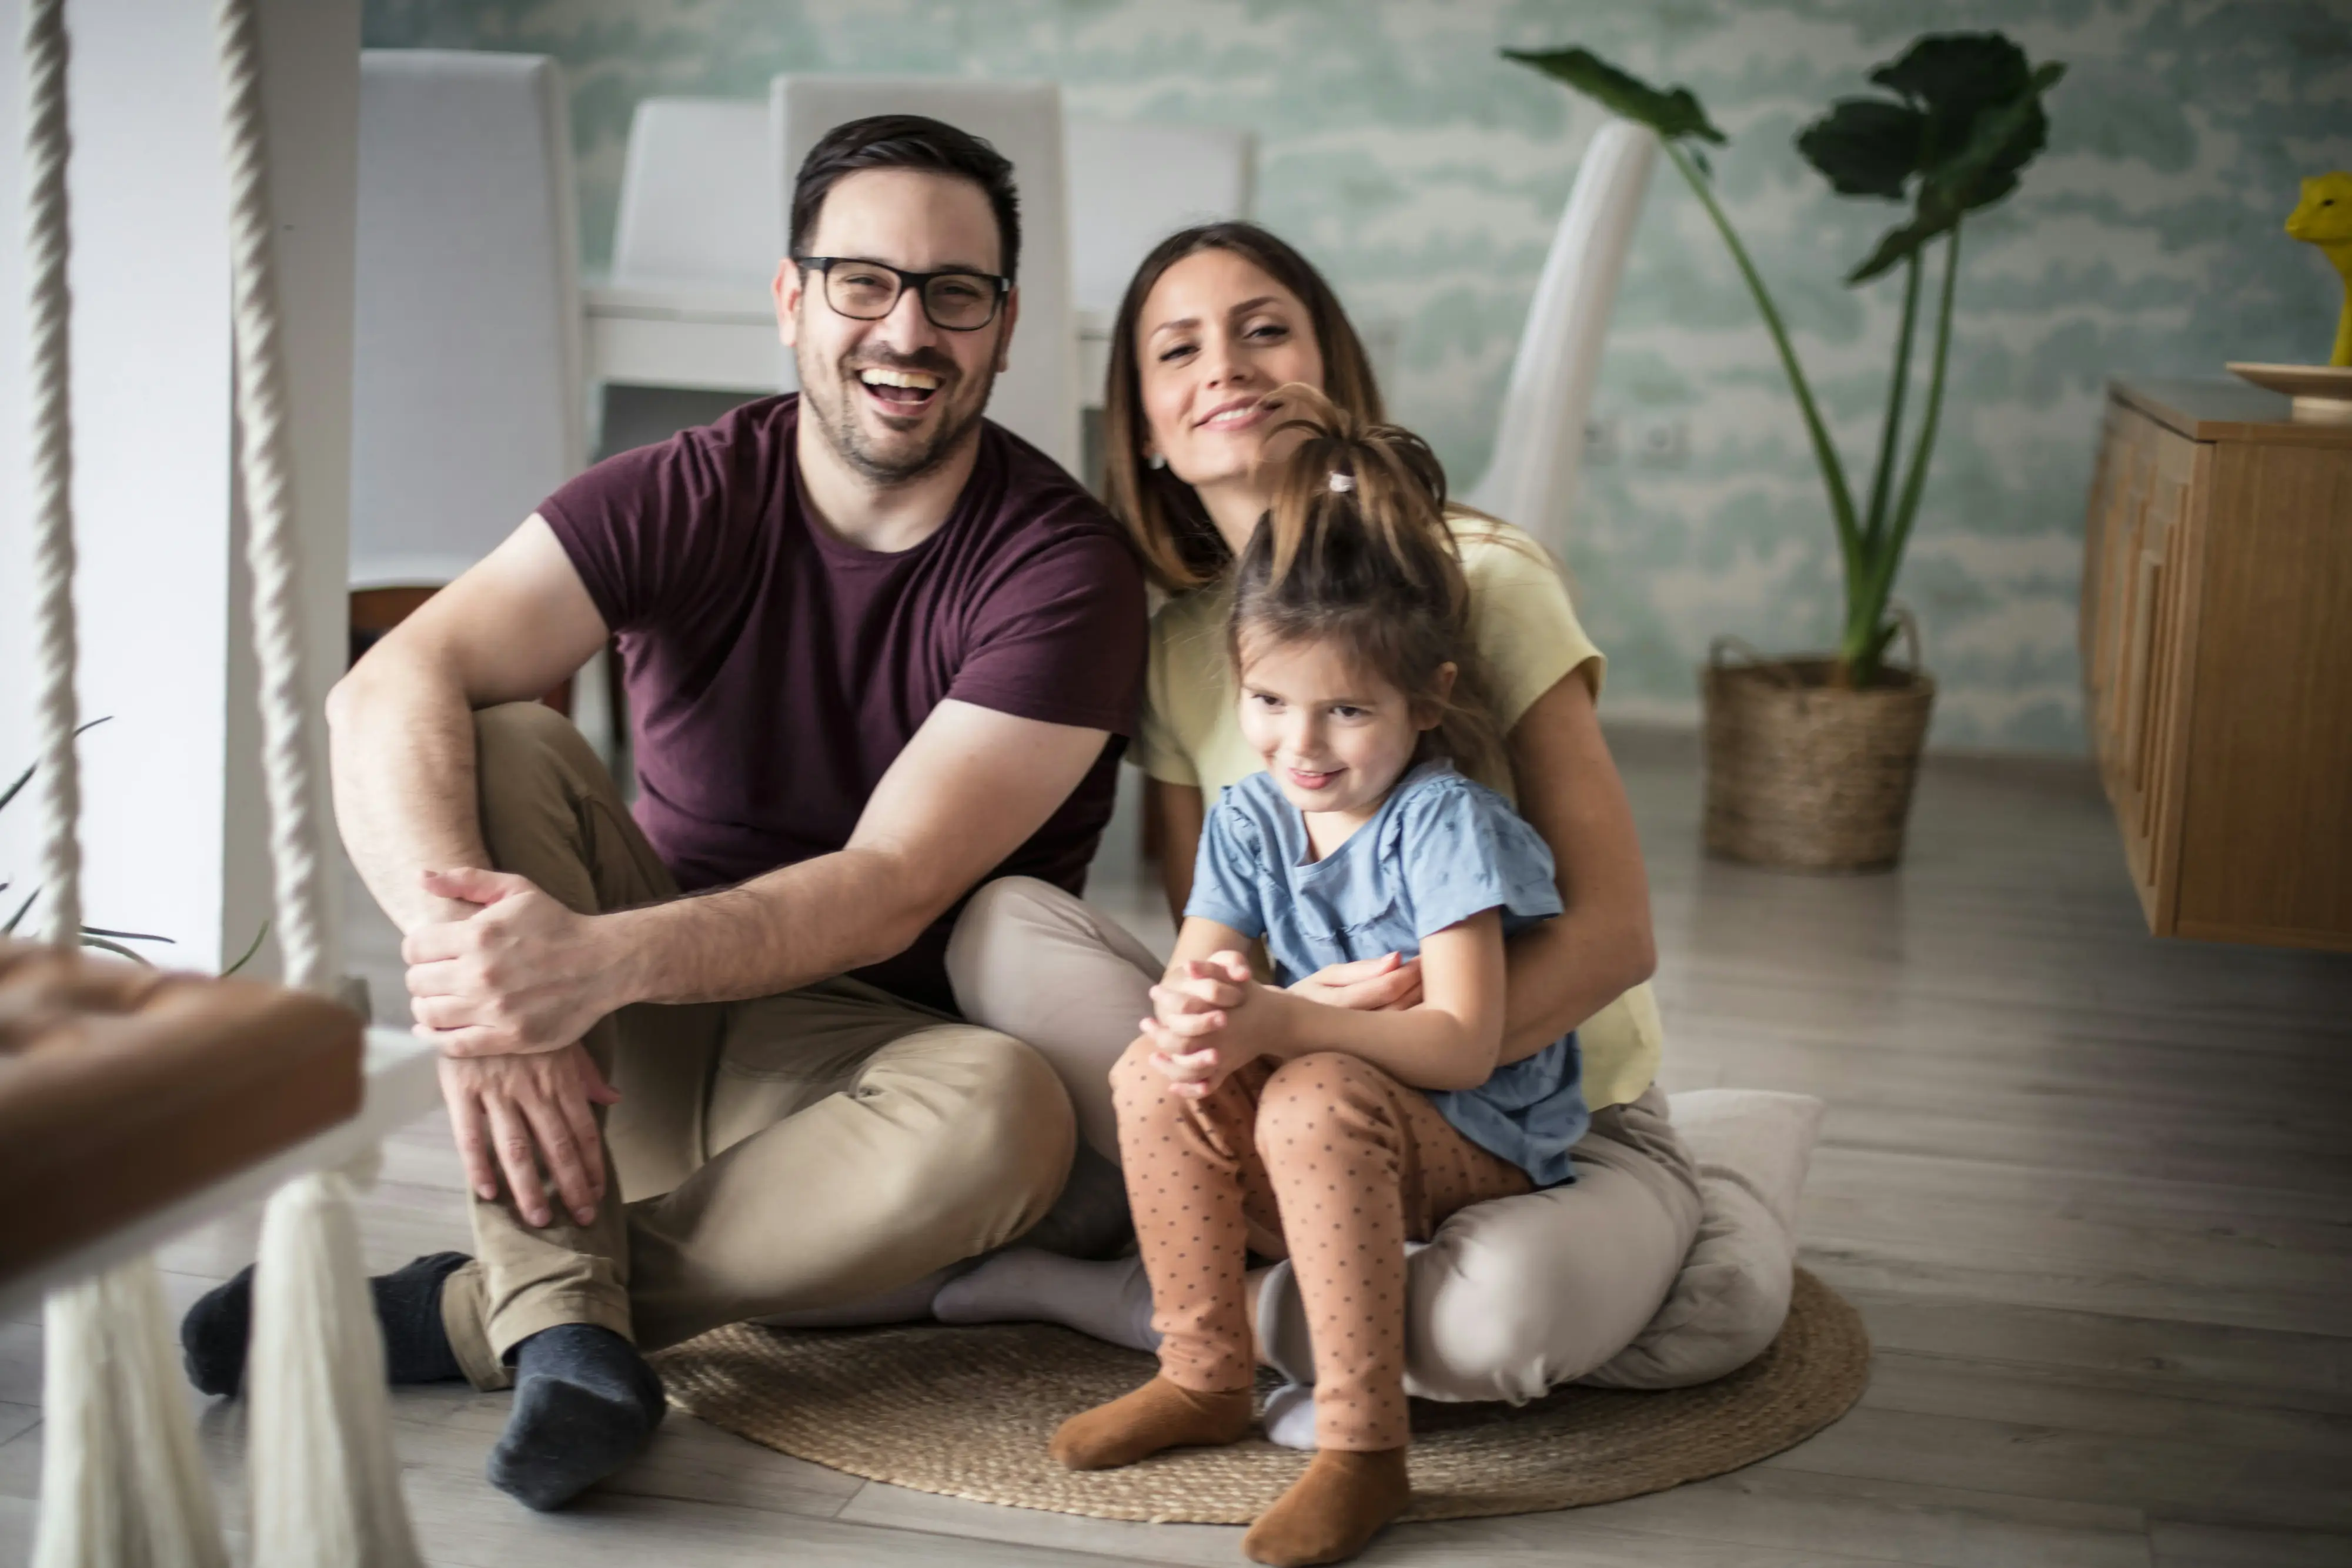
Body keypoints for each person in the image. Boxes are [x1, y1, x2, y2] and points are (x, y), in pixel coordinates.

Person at [176, 113, 1148, 1512]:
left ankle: (499, 1308)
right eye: (863, 280)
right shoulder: (692, 487)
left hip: (862, 1089)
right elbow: (384, 687)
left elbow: (885, 884)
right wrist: (479, 981)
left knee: (1007, 1111)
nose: (908, 329)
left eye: (955, 293)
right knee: (498, 738)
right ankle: (565, 1312)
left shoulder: (1061, 571)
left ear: (1002, 329)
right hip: (622, 1059)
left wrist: (586, 962)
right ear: (791, 299)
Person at [938, 222, 1702, 1412]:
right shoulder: (1175, 652)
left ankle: (1135, 1294)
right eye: (1176, 349)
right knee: (1001, 929)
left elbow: (1616, 939)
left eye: (1262, 331)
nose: (1223, 367)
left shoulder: (1482, 579)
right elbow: (1220, 943)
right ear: (1144, 426)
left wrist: (1322, 1034)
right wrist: (1232, 1025)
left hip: (1535, 1127)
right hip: (1302, 1088)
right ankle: (1253, 1266)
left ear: (1329, 374)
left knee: (1480, 1337)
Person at [1051, 393, 1593, 1566]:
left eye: (1345, 710)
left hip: (1475, 1127)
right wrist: (1206, 1020)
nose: (1301, 745)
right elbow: (1197, 983)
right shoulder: (1252, 815)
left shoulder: (1444, 821)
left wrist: (1291, 1018)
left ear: (1425, 698)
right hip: (1345, 1098)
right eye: (1267, 703)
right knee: (1150, 1072)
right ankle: (1202, 1373)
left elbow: (1459, 1041)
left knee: (1306, 1094)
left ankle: (1361, 1449)